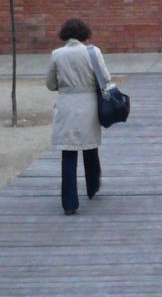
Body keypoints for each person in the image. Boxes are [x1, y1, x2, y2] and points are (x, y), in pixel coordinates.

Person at [46, 17, 112, 215]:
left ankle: (69, 202)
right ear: (85, 33)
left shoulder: (57, 54)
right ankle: (92, 187)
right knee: (90, 146)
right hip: (89, 103)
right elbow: (105, 78)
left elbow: (50, 84)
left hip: (67, 104)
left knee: (68, 152)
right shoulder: (93, 52)